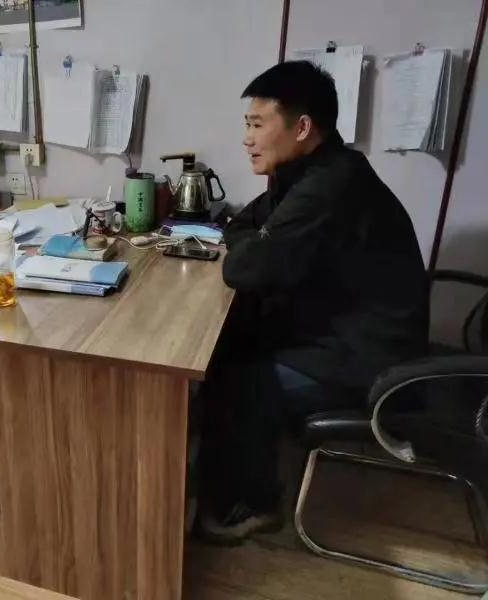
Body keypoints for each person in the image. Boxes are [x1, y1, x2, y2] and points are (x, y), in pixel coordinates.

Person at [197, 61, 429, 543]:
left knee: (235, 377)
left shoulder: (332, 184)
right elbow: (240, 226)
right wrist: (256, 242)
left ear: (302, 127)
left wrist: (255, 246)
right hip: (335, 330)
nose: (247, 139)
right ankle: (226, 472)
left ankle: (256, 506)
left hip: (370, 359)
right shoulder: (306, 173)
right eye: (247, 125)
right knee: (233, 342)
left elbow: (244, 268)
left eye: (257, 125)